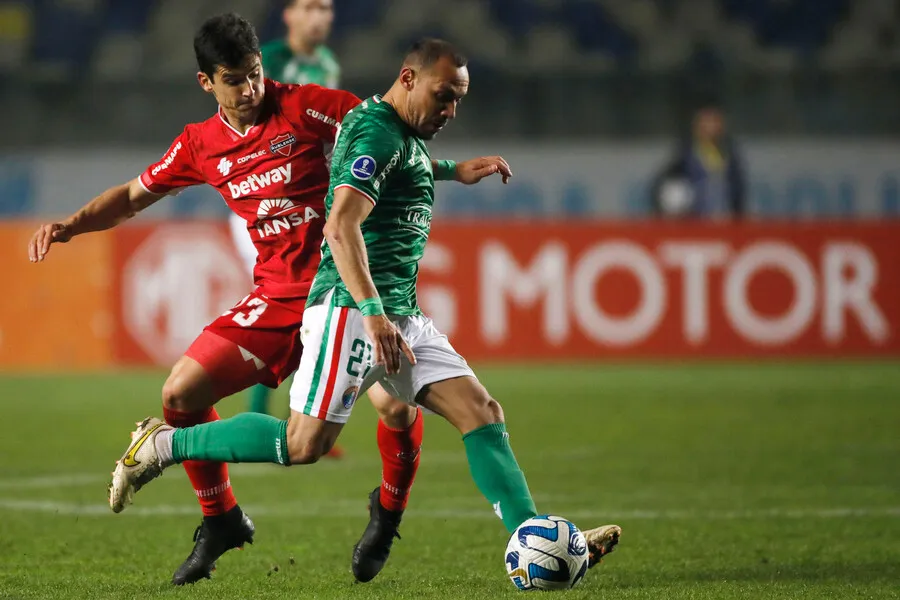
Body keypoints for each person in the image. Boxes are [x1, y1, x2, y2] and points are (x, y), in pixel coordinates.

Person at [107, 37, 622, 584]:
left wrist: (454, 170)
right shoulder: (375, 129)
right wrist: (372, 313)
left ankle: (535, 538)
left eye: (458, 100)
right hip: (350, 309)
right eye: (443, 96)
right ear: (407, 79)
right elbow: (341, 224)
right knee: (304, 443)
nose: (450, 111)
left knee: (482, 413)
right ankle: (163, 444)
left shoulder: (402, 133)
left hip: (401, 312)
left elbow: (398, 164)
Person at [28, 13, 430, 587]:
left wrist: (439, 168)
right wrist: (72, 224)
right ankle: (221, 520)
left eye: (255, 74)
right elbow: (132, 196)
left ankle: (387, 514)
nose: (250, 90)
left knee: (396, 407)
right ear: (206, 84)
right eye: (234, 80)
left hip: (345, 286)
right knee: (180, 391)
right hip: (276, 297)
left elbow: (387, 132)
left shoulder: (307, 106)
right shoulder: (199, 144)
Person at [231, 0, 340, 418]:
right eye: (311, 7)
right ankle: (263, 412)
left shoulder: (328, 64)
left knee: (313, 313)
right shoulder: (268, 61)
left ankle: (308, 412)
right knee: (289, 306)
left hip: (308, 204)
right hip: (265, 203)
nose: (320, 16)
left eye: (326, 8)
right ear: (289, 14)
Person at [652, 96, 747, 219]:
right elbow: (664, 185)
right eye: (707, 121)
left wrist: (739, 216)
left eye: (716, 121)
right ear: (697, 124)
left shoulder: (729, 152)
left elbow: (738, 188)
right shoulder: (685, 153)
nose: (712, 126)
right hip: (696, 221)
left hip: (724, 218)